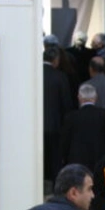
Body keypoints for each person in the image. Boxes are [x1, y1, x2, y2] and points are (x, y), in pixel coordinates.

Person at [59, 83, 105, 169]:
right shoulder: (104, 114)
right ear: (95, 98)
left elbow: (65, 140)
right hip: (100, 158)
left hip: (77, 159)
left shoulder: (71, 116)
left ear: (79, 98)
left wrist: (64, 158)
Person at [43, 44, 74, 183]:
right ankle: (56, 186)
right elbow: (66, 103)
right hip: (55, 125)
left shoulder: (34, 74)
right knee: (55, 158)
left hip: (35, 126)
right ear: (56, 60)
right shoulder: (60, 76)